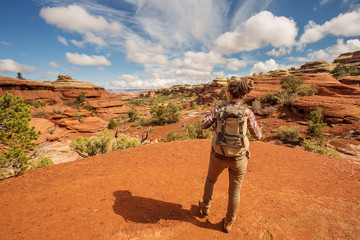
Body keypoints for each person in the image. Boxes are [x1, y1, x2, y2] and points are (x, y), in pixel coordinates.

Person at [199, 78, 262, 233]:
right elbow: (258, 135)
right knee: (234, 191)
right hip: (239, 159)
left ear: (228, 94)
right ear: (242, 96)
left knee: (211, 180)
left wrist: (215, 119)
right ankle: (228, 222)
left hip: (218, 155)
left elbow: (203, 125)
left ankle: (206, 206)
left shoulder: (218, 109)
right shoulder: (248, 112)